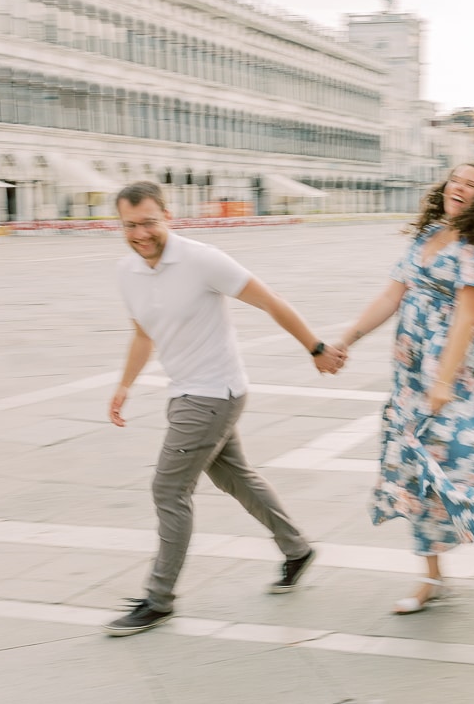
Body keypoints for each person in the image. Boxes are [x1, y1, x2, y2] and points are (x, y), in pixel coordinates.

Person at [102, 181, 346, 637]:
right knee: (234, 475)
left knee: (168, 491)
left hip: (215, 393)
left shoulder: (201, 259)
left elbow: (270, 300)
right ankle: (297, 550)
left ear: (167, 216)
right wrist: (124, 386)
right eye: (131, 225)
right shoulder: (127, 272)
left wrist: (315, 346)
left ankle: (159, 599)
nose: (141, 234)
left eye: (149, 222)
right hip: (185, 392)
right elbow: (142, 333)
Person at [337, 162, 474, 615]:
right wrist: (347, 339)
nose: (459, 187)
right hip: (410, 372)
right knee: (416, 470)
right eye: (455, 179)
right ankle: (432, 577)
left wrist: (443, 382)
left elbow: (466, 319)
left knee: (464, 469)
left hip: (461, 376)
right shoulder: (426, 237)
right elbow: (392, 296)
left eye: (471, 183)